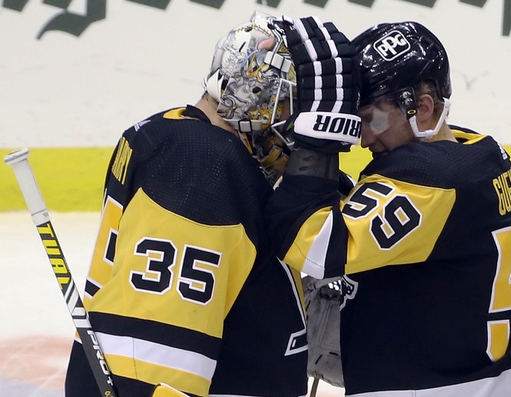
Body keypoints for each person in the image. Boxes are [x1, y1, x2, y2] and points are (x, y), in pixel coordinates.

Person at [266, 21, 511, 396]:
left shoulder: (428, 180)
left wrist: (317, 137)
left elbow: (313, 245)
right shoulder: (480, 152)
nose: (363, 137)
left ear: (422, 108)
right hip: (510, 379)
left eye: (371, 118)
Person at [63, 11, 345, 397]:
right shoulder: (202, 162)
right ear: (261, 101)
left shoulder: (175, 133)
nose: (301, 132)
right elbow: (155, 355)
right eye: (297, 112)